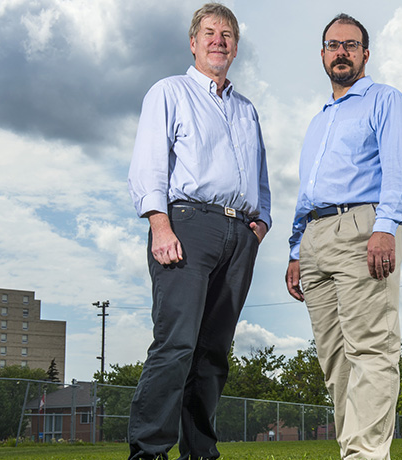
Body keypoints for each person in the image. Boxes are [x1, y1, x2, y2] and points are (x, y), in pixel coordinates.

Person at [126, 3, 271, 459]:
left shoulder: (246, 110)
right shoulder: (169, 92)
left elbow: (260, 177)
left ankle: (201, 452)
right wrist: (159, 224)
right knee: (177, 345)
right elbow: (148, 162)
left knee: (213, 353)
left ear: (236, 47)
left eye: (227, 35)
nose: (218, 41)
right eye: (209, 32)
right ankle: (149, 450)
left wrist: (260, 226)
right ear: (193, 42)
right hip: (186, 226)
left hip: (239, 235)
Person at [284, 13, 402, 460]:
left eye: (350, 45)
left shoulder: (385, 100)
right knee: (335, 360)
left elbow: (398, 168)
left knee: (371, 348)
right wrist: (296, 250)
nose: (341, 52)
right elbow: (307, 192)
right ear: (322, 54)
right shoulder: (319, 120)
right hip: (314, 236)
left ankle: (366, 455)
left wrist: (386, 227)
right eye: (333, 45)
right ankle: (352, 450)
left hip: (362, 227)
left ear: (365, 53)